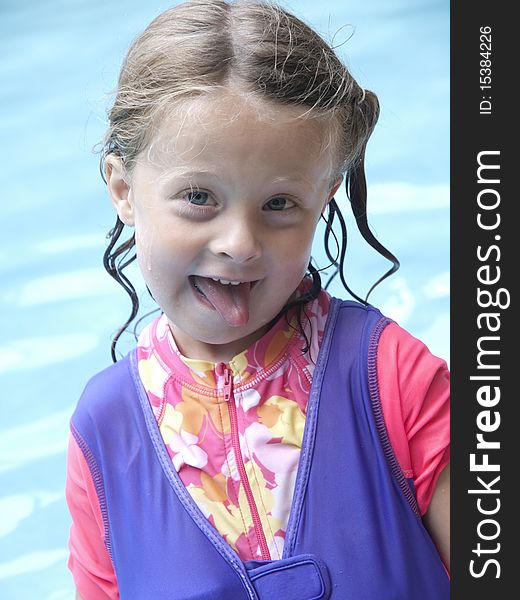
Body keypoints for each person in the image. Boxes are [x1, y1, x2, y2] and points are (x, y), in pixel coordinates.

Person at [65, 1, 450, 598]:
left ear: (322, 199)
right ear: (122, 189)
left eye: (279, 204)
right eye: (198, 197)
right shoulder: (106, 431)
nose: (240, 244)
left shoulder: (393, 379)